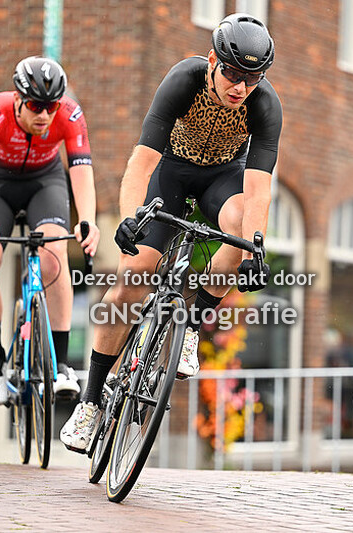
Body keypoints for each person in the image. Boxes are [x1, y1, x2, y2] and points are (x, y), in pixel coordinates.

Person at [61, 13, 282, 452]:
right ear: (212, 61)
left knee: (241, 232)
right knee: (133, 277)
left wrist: (254, 251)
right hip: (172, 173)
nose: (241, 87)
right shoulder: (184, 80)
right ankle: (90, 401)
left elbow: (258, 191)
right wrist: (130, 218)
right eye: (233, 74)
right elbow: (141, 163)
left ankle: (192, 326)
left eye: (252, 78)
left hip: (224, 177)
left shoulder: (264, 105)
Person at [0, 56, 100, 406]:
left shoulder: (69, 114)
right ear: (17, 99)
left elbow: (81, 172)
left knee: (54, 257)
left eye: (51, 106)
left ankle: (61, 365)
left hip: (44, 182)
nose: (44, 115)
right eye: (36, 106)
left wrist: (88, 219)